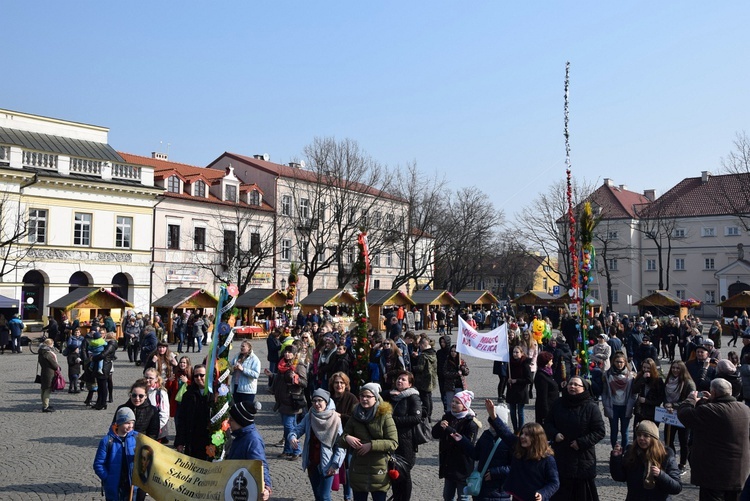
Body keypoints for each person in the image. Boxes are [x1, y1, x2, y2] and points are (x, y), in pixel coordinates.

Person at [677, 378, 750, 501]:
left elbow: (684, 414)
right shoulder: (745, 409)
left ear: (714, 392)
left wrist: (690, 399)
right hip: (738, 473)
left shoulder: (710, 410)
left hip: (714, 475)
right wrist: (712, 399)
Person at [480, 398, 560, 501]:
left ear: (536, 439)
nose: (522, 436)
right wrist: (493, 416)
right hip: (518, 497)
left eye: (527, 435)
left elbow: (554, 482)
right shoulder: (519, 448)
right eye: (522, 433)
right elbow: (505, 433)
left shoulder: (547, 459)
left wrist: (542, 494)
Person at [544, 376, 606, 501]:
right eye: (570, 384)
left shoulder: (591, 407)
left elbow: (599, 431)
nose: (572, 386)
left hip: (582, 458)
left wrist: (581, 442)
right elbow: (548, 423)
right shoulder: (558, 403)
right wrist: (555, 434)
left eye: (576, 385)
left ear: (584, 388)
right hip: (560, 455)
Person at [340, 382, 398, 501]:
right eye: (362, 396)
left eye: (368, 396)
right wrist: (346, 438)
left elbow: (393, 443)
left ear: (375, 397)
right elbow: (340, 440)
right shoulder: (355, 415)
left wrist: (371, 445)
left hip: (379, 471)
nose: (364, 399)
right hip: (358, 470)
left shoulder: (384, 416)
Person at [288, 389, 345, 501]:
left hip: (328, 464)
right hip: (312, 463)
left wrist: (335, 464)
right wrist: (292, 437)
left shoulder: (335, 419)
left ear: (326, 402)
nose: (317, 404)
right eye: (314, 401)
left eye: (320, 400)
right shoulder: (309, 416)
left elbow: (341, 445)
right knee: (318, 496)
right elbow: (297, 429)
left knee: (325, 496)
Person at [609, 420, 682, 500]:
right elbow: (619, 477)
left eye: (646, 436)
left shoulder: (666, 456)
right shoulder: (631, 453)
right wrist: (616, 458)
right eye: (639, 435)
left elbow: (676, 487)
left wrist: (661, 475)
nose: (641, 438)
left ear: (654, 439)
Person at [432, 390, 479, 501]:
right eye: (453, 401)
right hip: (448, 464)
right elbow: (434, 434)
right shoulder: (447, 416)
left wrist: (448, 429)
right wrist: (439, 425)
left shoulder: (471, 423)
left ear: (464, 406)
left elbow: (467, 444)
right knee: (447, 496)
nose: (453, 404)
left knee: (463, 498)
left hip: (463, 467)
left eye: (457, 402)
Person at [226, 401, 273, 501]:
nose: (228, 422)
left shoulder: (253, 440)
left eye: (231, 419)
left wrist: (266, 488)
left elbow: (261, 465)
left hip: (245, 489)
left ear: (240, 421)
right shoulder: (240, 436)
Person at [389, 371, 423, 501]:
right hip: (392, 439)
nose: (399, 381)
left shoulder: (413, 397)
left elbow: (416, 418)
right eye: (398, 378)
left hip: (406, 440)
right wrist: (388, 393)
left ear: (410, 384)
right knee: (393, 470)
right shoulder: (392, 396)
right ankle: (397, 497)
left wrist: (393, 420)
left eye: (403, 379)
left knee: (404, 471)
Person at [269, 344, 308, 460]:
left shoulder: (299, 365)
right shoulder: (282, 364)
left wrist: (296, 378)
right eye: (286, 352)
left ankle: (296, 449)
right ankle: (287, 450)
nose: (287, 354)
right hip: (282, 400)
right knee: (290, 427)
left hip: (292, 401)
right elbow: (280, 379)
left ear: (295, 354)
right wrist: (271, 375)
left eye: (290, 352)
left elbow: (304, 382)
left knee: (289, 427)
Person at [93, 407, 139, 501]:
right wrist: (107, 478)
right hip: (114, 485)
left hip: (131, 484)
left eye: (132, 423)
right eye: (127, 423)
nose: (130, 426)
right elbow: (98, 464)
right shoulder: (107, 441)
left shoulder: (136, 438)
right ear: (119, 423)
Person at [174, 364, 212, 460]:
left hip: (211, 439)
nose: (199, 378)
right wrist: (180, 442)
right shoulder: (188, 395)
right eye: (196, 376)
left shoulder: (216, 394)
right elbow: (182, 419)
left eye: (201, 375)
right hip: (193, 440)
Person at [632, 358, 665, 429]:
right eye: (644, 367)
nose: (646, 370)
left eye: (648, 368)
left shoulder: (658, 380)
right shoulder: (640, 376)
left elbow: (660, 399)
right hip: (640, 412)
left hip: (652, 413)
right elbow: (634, 390)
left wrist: (646, 401)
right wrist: (642, 379)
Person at [411, 334, 438, 421]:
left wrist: (412, 368)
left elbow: (420, 368)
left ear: (422, 345)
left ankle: (427, 415)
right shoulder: (433, 353)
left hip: (423, 380)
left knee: (425, 398)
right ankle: (429, 414)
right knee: (429, 398)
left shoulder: (423, 355)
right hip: (431, 379)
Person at [507, 345, 532, 432]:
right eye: (514, 352)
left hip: (521, 391)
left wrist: (516, 381)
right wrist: (508, 380)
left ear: (522, 353)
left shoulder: (524, 364)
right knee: (512, 412)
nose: (515, 354)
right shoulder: (509, 363)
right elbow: (506, 375)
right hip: (512, 390)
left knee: (520, 412)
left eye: (517, 352)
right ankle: (515, 430)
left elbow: (529, 379)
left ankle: (521, 430)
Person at [91, 333, 118, 410]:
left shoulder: (111, 344)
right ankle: (99, 402)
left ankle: (102, 403)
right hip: (104, 365)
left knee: (102, 386)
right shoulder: (110, 344)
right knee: (100, 386)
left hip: (105, 366)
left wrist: (93, 358)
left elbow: (103, 355)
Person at [143, 368, 170, 443]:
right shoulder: (140, 390)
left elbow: (164, 414)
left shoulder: (161, 393)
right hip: (142, 429)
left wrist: (155, 428)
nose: (147, 380)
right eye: (146, 377)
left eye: (150, 378)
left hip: (156, 430)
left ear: (156, 379)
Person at [231, 339, 261, 405]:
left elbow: (256, 375)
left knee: (246, 410)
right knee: (237, 409)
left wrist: (243, 369)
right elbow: (230, 368)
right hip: (236, 387)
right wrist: (233, 368)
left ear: (249, 348)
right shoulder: (237, 356)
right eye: (241, 346)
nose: (241, 347)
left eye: (243, 346)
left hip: (247, 390)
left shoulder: (254, 359)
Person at [534, 351, 559, 426]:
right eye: (550, 361)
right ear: (546, 362)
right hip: (546, 409)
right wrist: (546, 414)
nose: (552, 363)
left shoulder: (547, 373)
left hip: (552, 407)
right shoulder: (541, 376)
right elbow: (542, 397)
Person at [38, 338, 59, 413]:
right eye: (52, 344)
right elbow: (54, 364)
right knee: (47, 389)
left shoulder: (41, 352)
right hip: (49, 373)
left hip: (43, 371)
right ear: (49, 344)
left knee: (43, 388)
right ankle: (45, 406)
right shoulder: (47, 353)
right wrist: (58, 367)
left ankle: (44, 404)